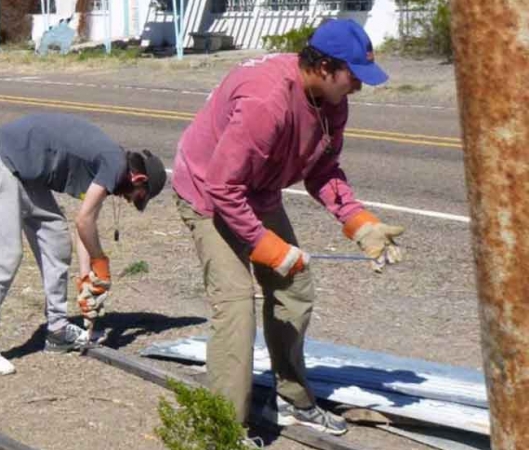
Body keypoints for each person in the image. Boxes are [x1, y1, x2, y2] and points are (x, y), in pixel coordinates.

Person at [171, 19, 405, 435]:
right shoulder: (267, 102)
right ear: (324, 67)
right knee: (235, 302)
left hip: (256, 190)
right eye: (353, 76)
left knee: (294, 287)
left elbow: (323, 169)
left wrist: (358, 221)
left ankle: (293, 398)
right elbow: (223, 186)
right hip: (208, 192)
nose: (359, 87)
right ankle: (224, 428)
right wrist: (266, 246)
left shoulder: (332, 103)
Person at [0, 112, 167, 375]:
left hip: (27, 174)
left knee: (56, 239)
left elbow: (85, 224)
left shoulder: (109, 164)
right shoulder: (114, 164)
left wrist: (86, 280)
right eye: (139, 197)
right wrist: (100, 263)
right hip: (2, 162)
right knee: (5, 255)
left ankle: (57, 331)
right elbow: (85, 221)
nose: (132, 202)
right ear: (138, 179)